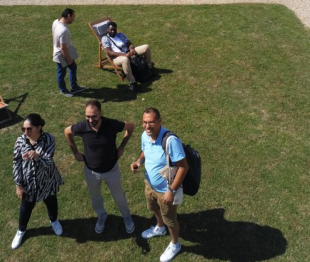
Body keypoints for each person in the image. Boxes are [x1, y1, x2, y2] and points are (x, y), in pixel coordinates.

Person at [64, 100, 135, 234]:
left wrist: (122, 147)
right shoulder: (82, 127)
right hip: (91, 172)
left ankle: (127, 217)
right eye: (88, 116)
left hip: (111, 169)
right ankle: (102, 216)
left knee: (119, 197)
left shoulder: (112, 124)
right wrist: (75, 152)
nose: (90, 120)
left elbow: (130, 127)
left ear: (101, 113)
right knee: (95, 197)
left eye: (94, 116)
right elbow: (67, 132)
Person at [130, 108, 188, 262]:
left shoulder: (171, 141)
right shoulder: (145, 135)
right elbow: (144, 152)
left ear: (159, 121)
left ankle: (175, 244)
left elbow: (183, 167)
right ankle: (160, 228)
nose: (147, 126)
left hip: (165, 191)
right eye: (144, 122)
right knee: (154, 208)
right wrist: (138, 162)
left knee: (170, 219)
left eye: (151, 122)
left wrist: (171, 190)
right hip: (149, 184)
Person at [11, 113, 63, 250]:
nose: (26, 132)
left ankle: (54, 221)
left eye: (29, 129)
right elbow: (16, 163)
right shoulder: (20, 141)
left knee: (51, 201)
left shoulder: (49, 140)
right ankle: (21, 230)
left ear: (39, 127)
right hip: (29, 183)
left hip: (47, 180)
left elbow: (48, 162)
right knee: (26, 207)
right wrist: (18, 185)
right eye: (24, 129)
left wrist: (37, 156)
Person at [101, 20, 153, 91]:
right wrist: (125, 55)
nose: (113, 31)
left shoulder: (120, 34)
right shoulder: (105, 39)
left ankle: (149, 69)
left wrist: (131, 49)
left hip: (128, 52)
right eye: (111, 30)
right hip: (117, 58)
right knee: (125, 60)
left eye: (114, 29)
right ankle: (132, 82)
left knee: (146, 47)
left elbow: (129, 43)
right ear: (107, 30)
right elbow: (109, 52)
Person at [52, 8, 85, 97]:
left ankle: (74, 87)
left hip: (62, 50)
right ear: (68, 16)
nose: (74, 18)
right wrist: (69, 59)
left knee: (73, 67)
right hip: (61, 54)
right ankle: (63, 90)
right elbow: (63, 48)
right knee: (61, 73)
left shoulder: (55, 22)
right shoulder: (64, 31)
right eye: (73, 16)